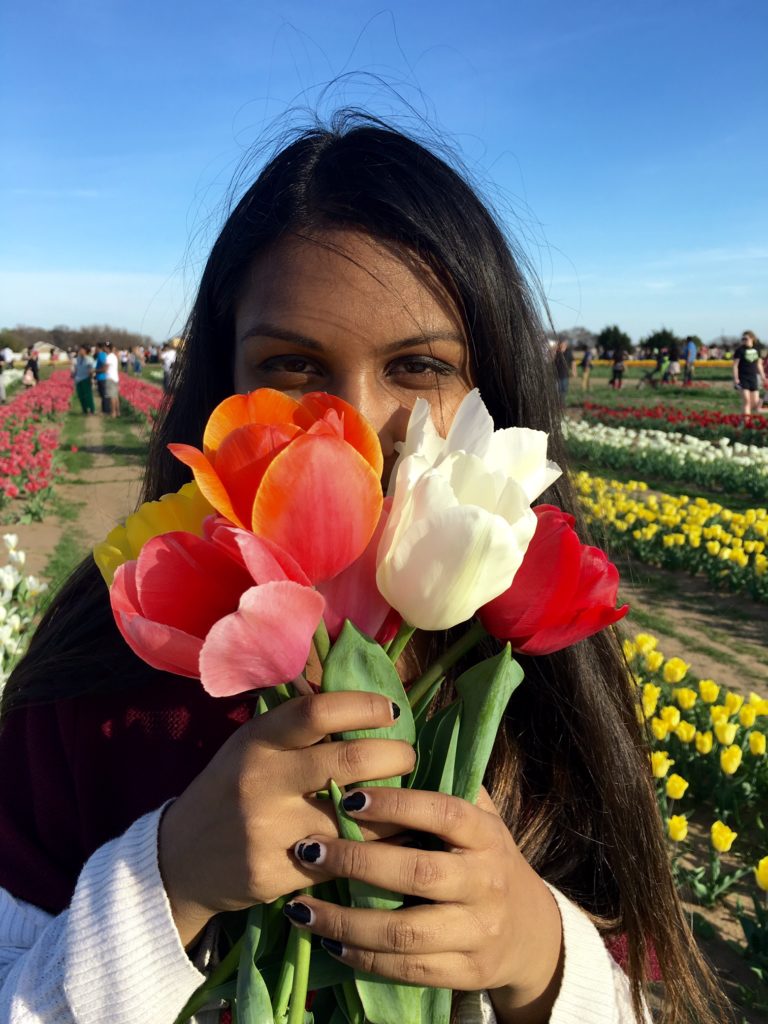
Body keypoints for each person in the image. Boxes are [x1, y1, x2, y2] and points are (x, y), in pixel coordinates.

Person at [0, 118, 726, 1024]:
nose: (350, 425)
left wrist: (538, 956)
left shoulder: (546, 697)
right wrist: (168, 882)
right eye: (292, 365)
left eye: (419, 366)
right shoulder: (101, 674)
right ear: (223, 382)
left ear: (489, 388)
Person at [733, 330, 764, 422]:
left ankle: (746, 417)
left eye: (745, 338)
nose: (744, 340)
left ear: (752, 338)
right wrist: (736, 378)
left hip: (753, 377)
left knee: (755, 402)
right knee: (746, 400)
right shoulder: (740, 350)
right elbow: (735, 365)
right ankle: (747, 422)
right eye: (742, 339)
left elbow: (759, 364)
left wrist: (763, 376)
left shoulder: (757, 349)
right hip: (743, 377)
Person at [71, 345, 96, 415]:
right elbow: (76, 368)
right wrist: (73, 374)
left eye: (82, 350)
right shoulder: (77, 359)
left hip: (86, 379)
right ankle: (84, 410)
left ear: (86, 351)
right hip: (78, 379)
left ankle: (91, 410)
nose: (80, 351)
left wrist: (91, 379)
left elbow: (92, 370)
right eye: (80, 350)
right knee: (80, 396)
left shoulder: (89, 359)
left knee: (88, 395)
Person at [552, 340, 572, 407]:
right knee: (557, 390)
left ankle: (562, 403)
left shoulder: (569, 353)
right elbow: (551, 359)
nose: (563, 346)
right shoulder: (556, 352)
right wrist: (555, 350)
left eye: (564, 345)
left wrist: (574, 371)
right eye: (562, 345)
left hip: (565, 375)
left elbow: (573, 361)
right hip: (556, 374)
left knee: (564, 389)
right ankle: (556, 403)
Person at [104, 342, 120, 417]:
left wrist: (97, 370)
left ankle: (113, 413)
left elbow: (105, 368)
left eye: (105, 347)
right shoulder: (114, 356)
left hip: (110, 378)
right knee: (115, 396)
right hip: (115, 378)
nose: (104, 349)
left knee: (112, 396)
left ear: (107, 348)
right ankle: (118, 412)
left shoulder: (109, 357)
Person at [94, 342, 110, 414]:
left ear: (99, 348)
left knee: (104, 395)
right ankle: (104, 410)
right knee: (102, 395)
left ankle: (106, 411)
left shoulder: (101, 355)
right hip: (100, 378)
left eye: (96, 348)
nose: (95, 349)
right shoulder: (100, 355)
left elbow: (105, 368)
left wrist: (95, 370)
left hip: (103, 378)